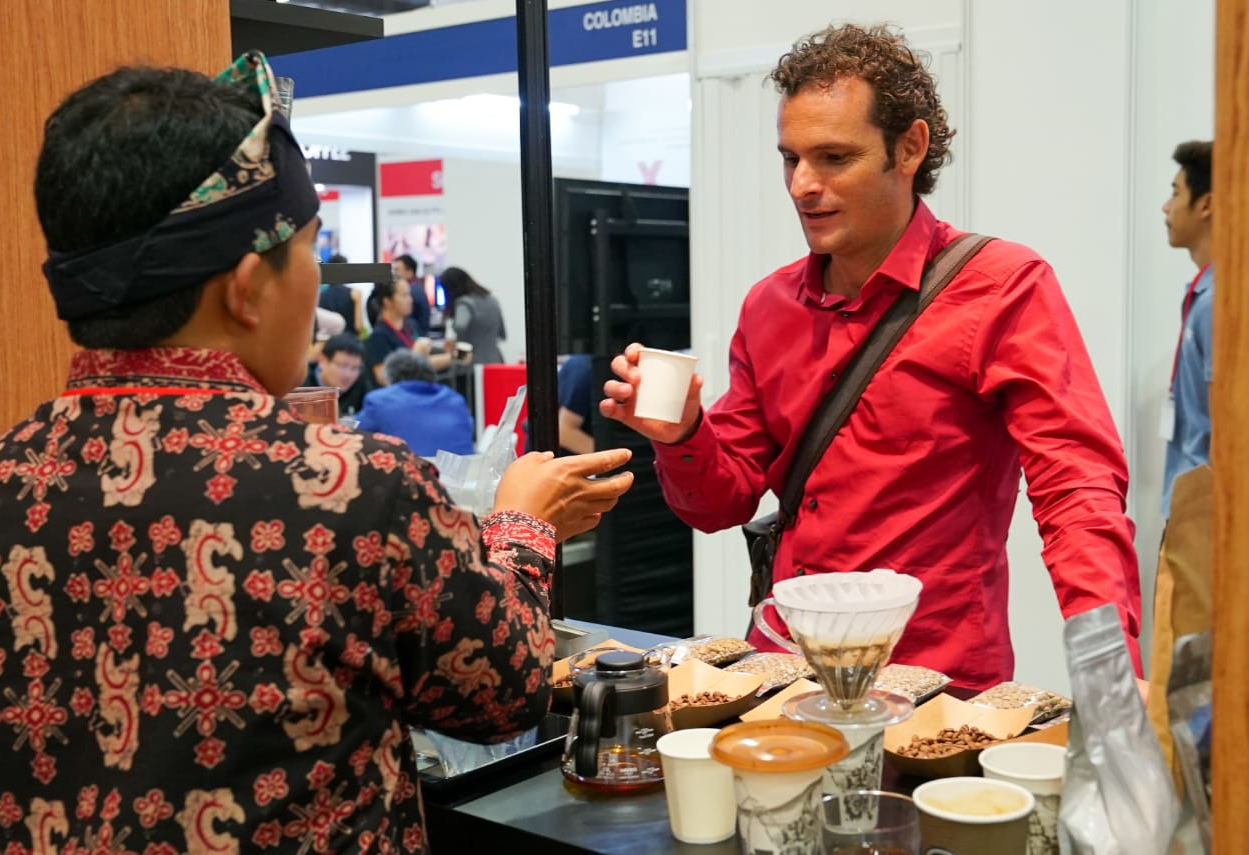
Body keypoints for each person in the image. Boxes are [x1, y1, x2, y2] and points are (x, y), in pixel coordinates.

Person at [0, 53, 634, 853]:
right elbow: (502, 692)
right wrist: (522, 526)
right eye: (311, 248)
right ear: (247, 285)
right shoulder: (352, 487)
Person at [601, 23, 1141, 691]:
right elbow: (722, 501)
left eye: (833, 157)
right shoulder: (769, 306)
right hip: (783, 672)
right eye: (790, 158)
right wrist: (683, 434)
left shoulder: (1001, 287)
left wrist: (1111, 674)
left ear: (909, 148)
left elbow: (1077, 488)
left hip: (928, 686)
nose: (802, 184)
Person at [1159, 140, 1214, 518]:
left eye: (1176, 192)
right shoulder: (1203, 291)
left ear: (1206, 204)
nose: (1166, 205)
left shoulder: (1221, 303)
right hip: (1191, 512)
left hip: (1208, 520)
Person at [358, 350, 476, 457]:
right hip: (463, 476)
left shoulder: (379, 400)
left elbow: (353, 434)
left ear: (390, 378)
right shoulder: (455, 399)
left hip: (411, 476)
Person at [364, 277, 460, 385]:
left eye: (409, 295)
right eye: (404, 295)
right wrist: (414, 354)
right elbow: (383, 377)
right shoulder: (378, 336)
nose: (410, 300)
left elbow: (424, 362)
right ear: (387, 301)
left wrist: (453, 357)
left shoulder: (410, 326)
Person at [441, 266, 507, 364]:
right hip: (496, 361)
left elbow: (460, 326)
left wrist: (456, 341)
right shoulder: (492, 300)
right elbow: (502, 334)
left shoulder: (464, 303)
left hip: (471, 364)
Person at [306, 331, 370, 416]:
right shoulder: (300, 384)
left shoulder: (361, 385)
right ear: (322, 360)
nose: (348, 375)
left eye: (355, 368)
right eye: (343, 366)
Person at [318, 253, 368, 336]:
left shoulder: (321, 296)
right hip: (350, 343)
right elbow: (358, 326)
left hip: (329, 344)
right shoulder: (355, 294)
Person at [394, 252, 431, 334]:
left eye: (397, 270)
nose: (395, 274)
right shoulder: (416, 287)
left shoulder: (411, 291)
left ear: (410, 272)